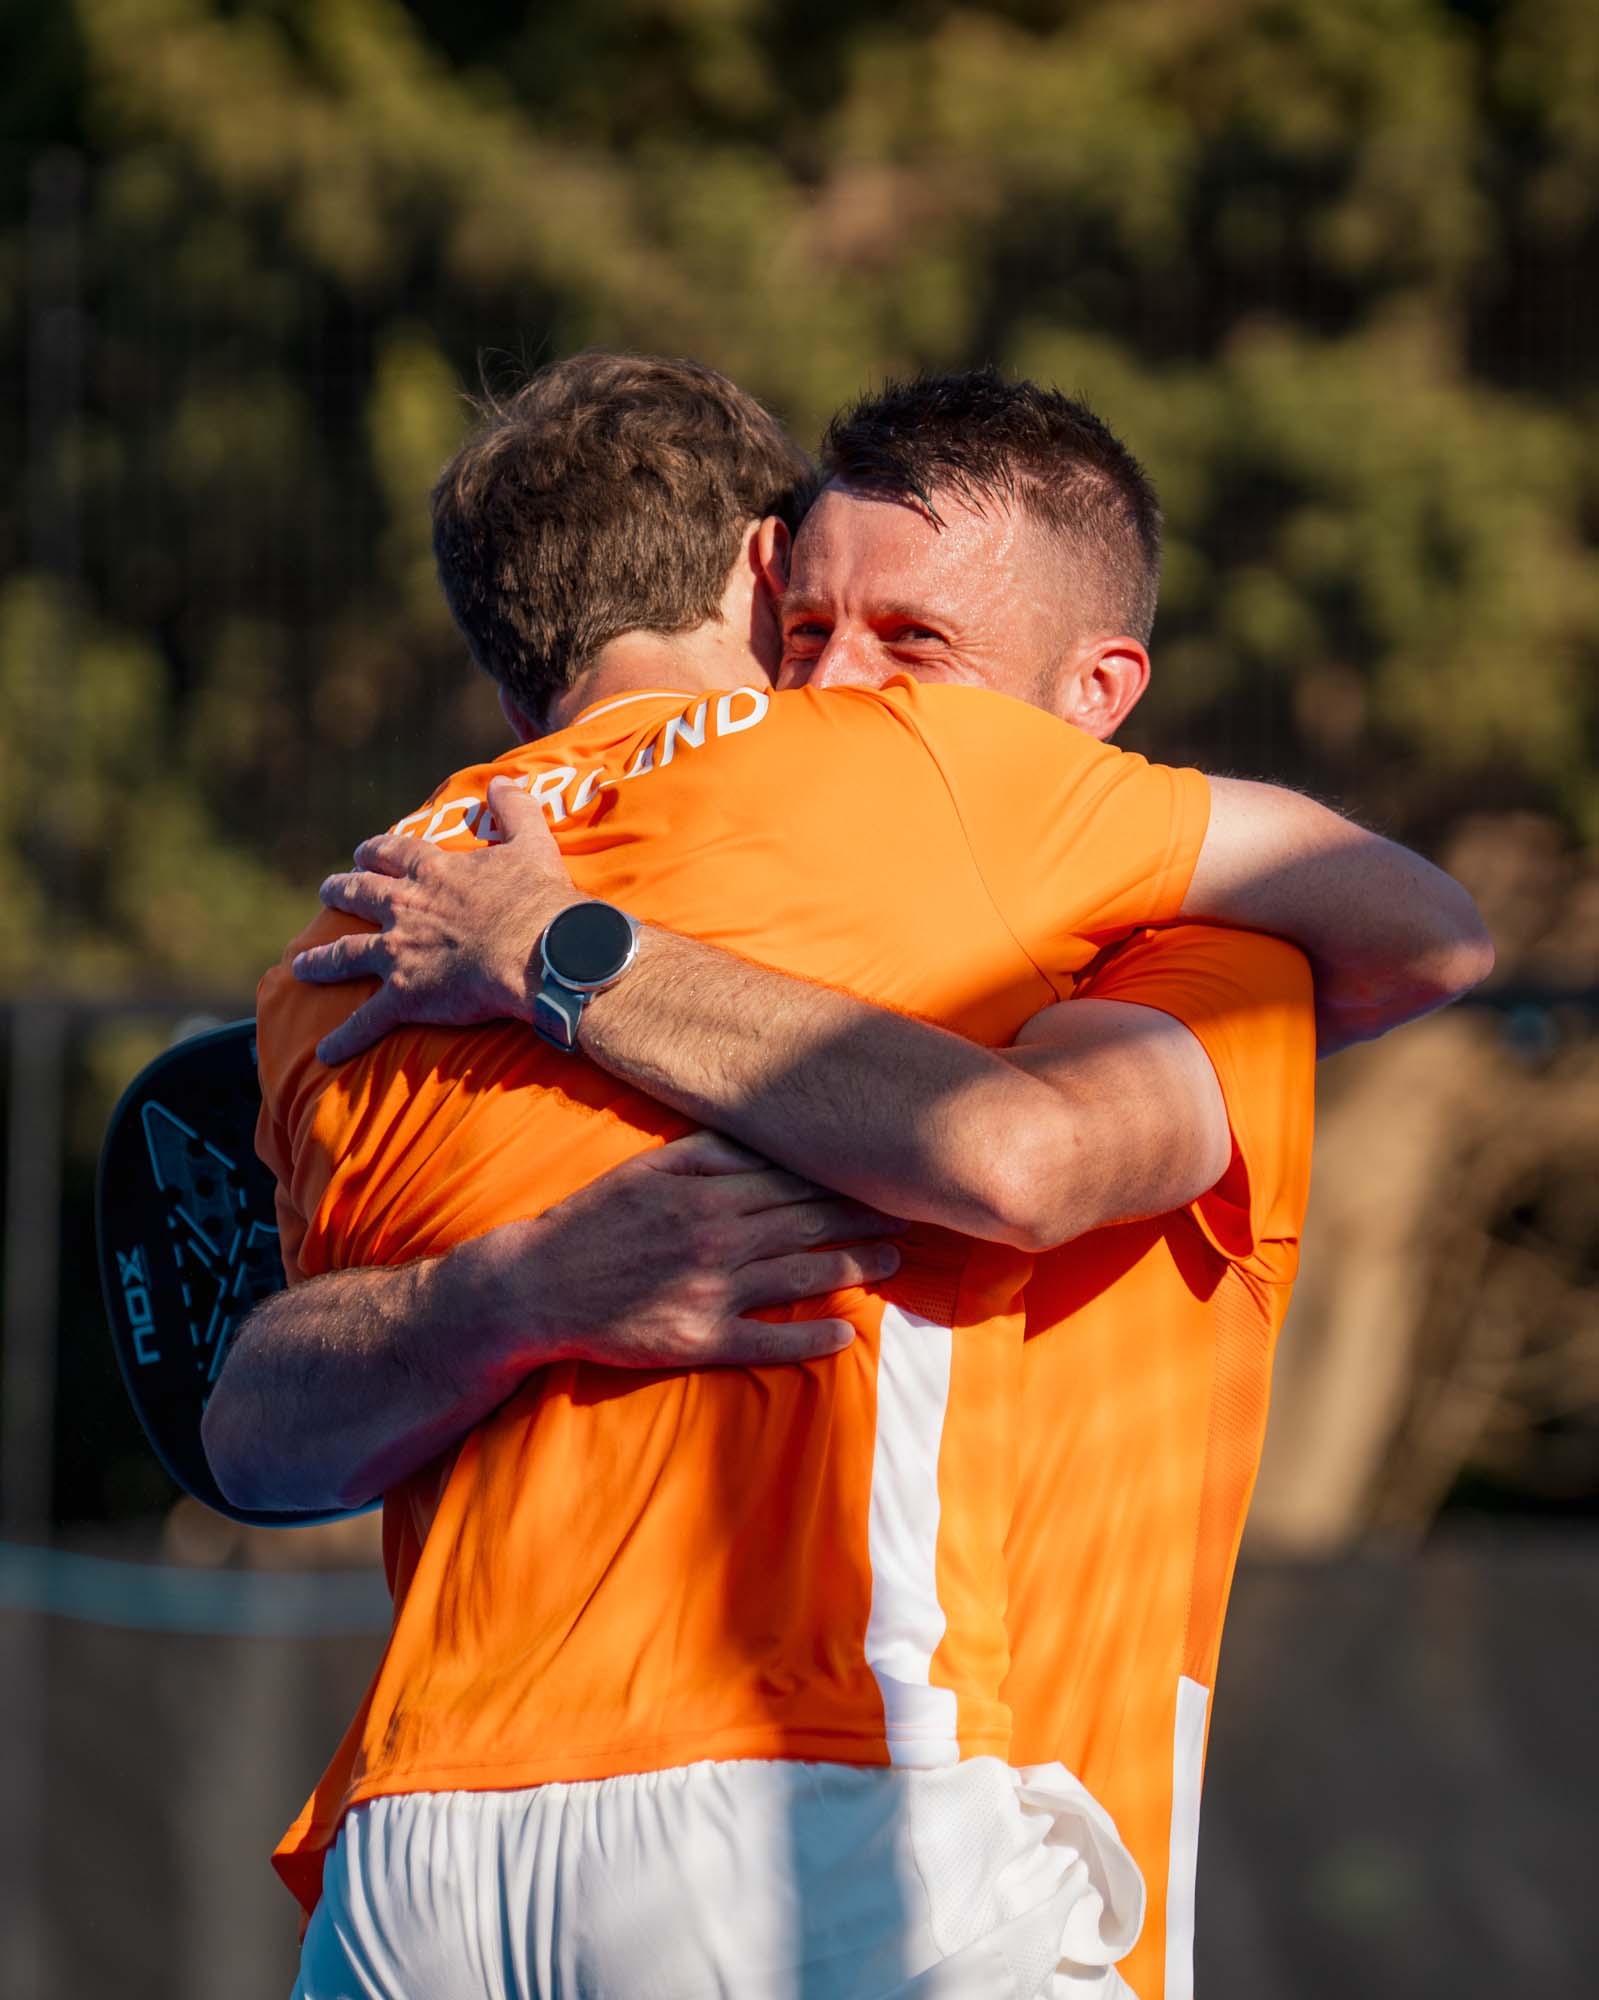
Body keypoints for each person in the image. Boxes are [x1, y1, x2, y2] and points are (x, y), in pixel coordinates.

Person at [208, 357, 1489, 1997]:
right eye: (813, 627)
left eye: (909, 643)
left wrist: (521, 1169)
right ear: (765, 565)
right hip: (823, 1786)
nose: (841, 680)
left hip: (412, 1857)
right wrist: (529, 1241)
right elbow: (1402, 947)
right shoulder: (927, 788)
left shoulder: (346, 939)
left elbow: (250, 1435)